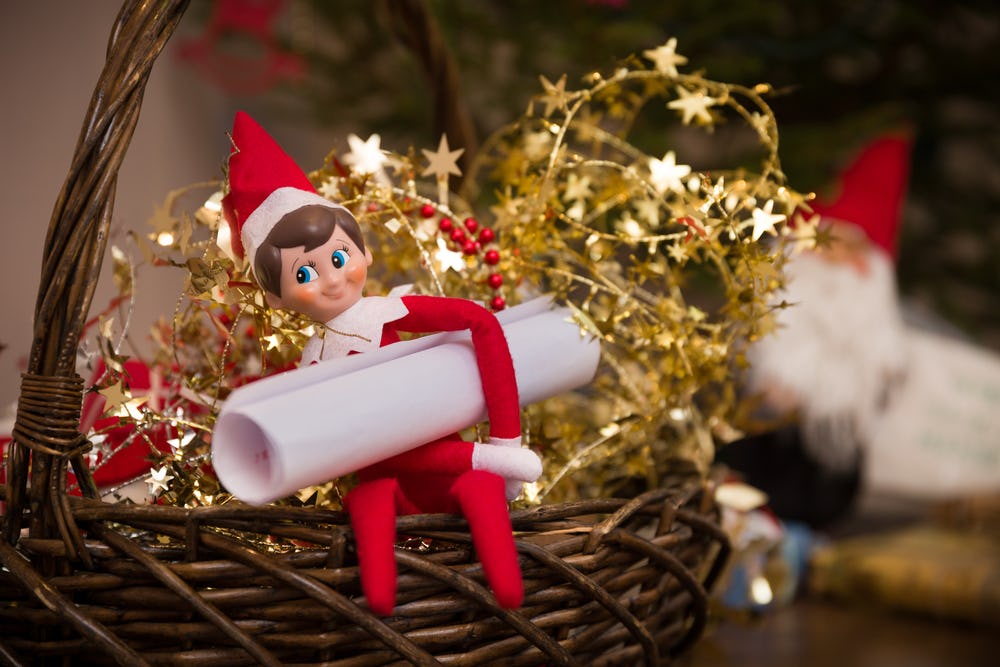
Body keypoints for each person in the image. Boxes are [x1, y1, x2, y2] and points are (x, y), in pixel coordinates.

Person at [223, 111, 541, 615]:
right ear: (277, 298)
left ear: (364, 252)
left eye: (339, 257)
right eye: (304, 273)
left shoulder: (388, 313)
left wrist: (506, 439)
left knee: (480, 491)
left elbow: (480, 322)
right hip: (383, 483)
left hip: (451, 472)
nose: (332, 280)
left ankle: (506, 594)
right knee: (369, 503)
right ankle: (381, 613)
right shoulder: (312, 362)